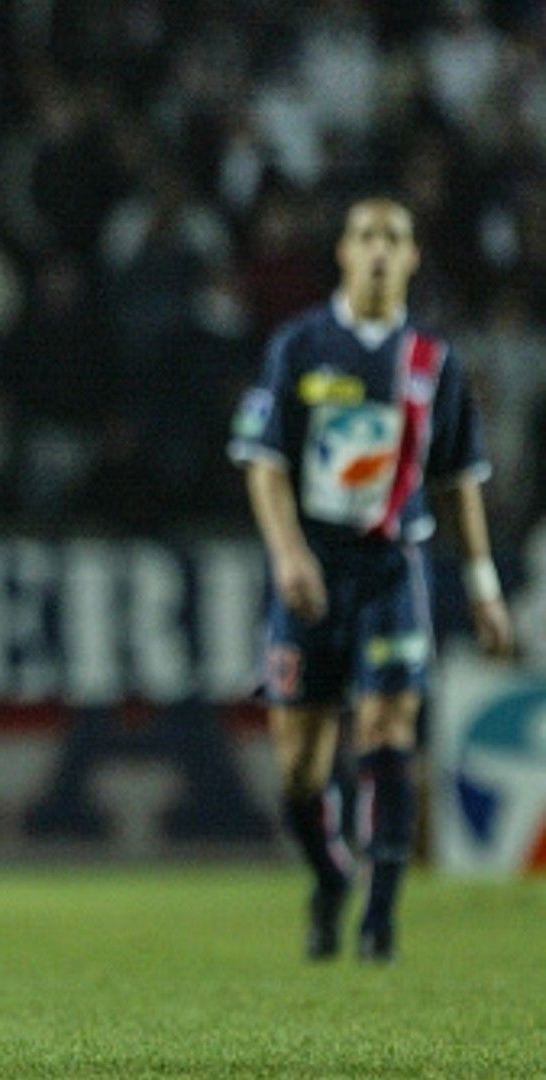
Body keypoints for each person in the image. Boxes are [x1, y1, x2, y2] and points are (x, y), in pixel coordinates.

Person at [229, 197, 514, 964]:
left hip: (394, 568)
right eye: (365, 236)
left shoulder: (434, 363)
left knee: (389, 731)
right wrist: (289, 555)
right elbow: (265, 463)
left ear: (414, 257)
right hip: (312, 573)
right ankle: (329, 879)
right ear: (345, 254)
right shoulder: (300, 347)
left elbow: (458, 481)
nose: (379, 250)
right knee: (300, 765)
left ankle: (380, 920)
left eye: (394, 237)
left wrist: (483, 584)